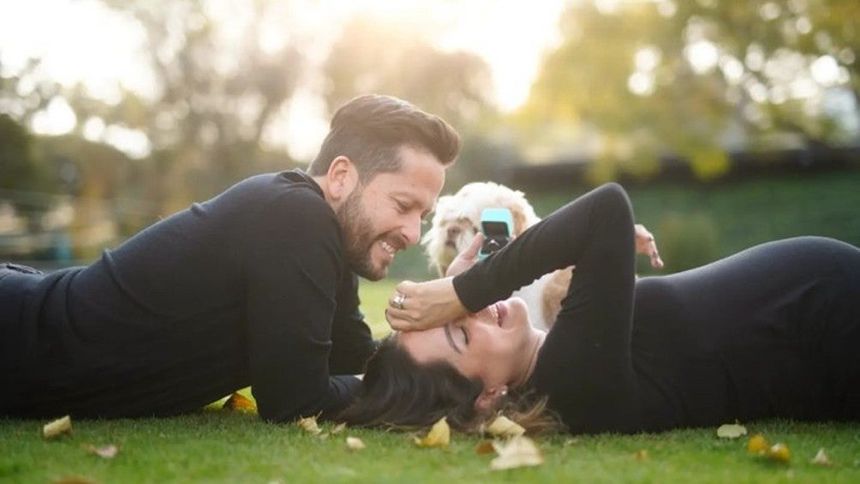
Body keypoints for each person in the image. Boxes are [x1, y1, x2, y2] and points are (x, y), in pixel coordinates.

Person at [0, 94, 460, 421]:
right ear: (341, 177)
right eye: (403, 206)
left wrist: (451, 325)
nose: (412, 233)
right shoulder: (296, 216)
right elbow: (295, 399)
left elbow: (353, 360)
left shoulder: (323, 237)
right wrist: (409, 387)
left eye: (423, 215)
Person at [341, 183, 860, 434]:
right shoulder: (571, 378)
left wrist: (457, 294)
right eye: (460, 334)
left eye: (454, 314)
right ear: (485, 398)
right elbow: (606, 210)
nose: (473, 312)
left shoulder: (564, 364)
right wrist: (464, 290)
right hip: (832, 328)